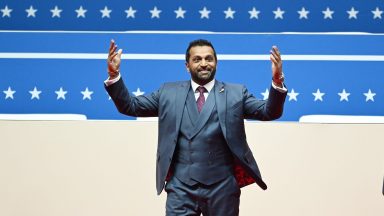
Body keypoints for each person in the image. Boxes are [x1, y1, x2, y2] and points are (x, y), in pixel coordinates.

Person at [104, 39, 287, 216]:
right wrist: (114, 77)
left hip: (222, 188)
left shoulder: (235, 93)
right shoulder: (168, 92)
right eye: (197, 59)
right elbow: (131, 106)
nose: (204, 63)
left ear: (216, 63)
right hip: (180, 187)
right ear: (187, 65)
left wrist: (277, 81)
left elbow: (268, 112)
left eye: (209, 58)